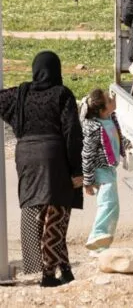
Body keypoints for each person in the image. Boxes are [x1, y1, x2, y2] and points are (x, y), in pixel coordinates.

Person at [0, 51, 83, 287]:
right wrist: (76, 169)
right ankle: (47, 275)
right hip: (53, 156)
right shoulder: (61, 94)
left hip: (25, 156)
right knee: (56, 214)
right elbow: (72, 133)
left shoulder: (21, 93)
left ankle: (64, 270)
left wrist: (18, 122)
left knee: (34, 209)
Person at [81, 89, 131, 253]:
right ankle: (96, 240)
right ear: (102, 110)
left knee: (113, 207)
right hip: (100, 171)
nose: (112, 99)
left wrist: (128, 144)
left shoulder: (111, 118)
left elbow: (117, 136)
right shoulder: (94, 128)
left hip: (110, 170)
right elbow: (87, 155)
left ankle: (101, 245)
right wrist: (87, 181)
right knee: (108, 204)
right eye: (109, 100)